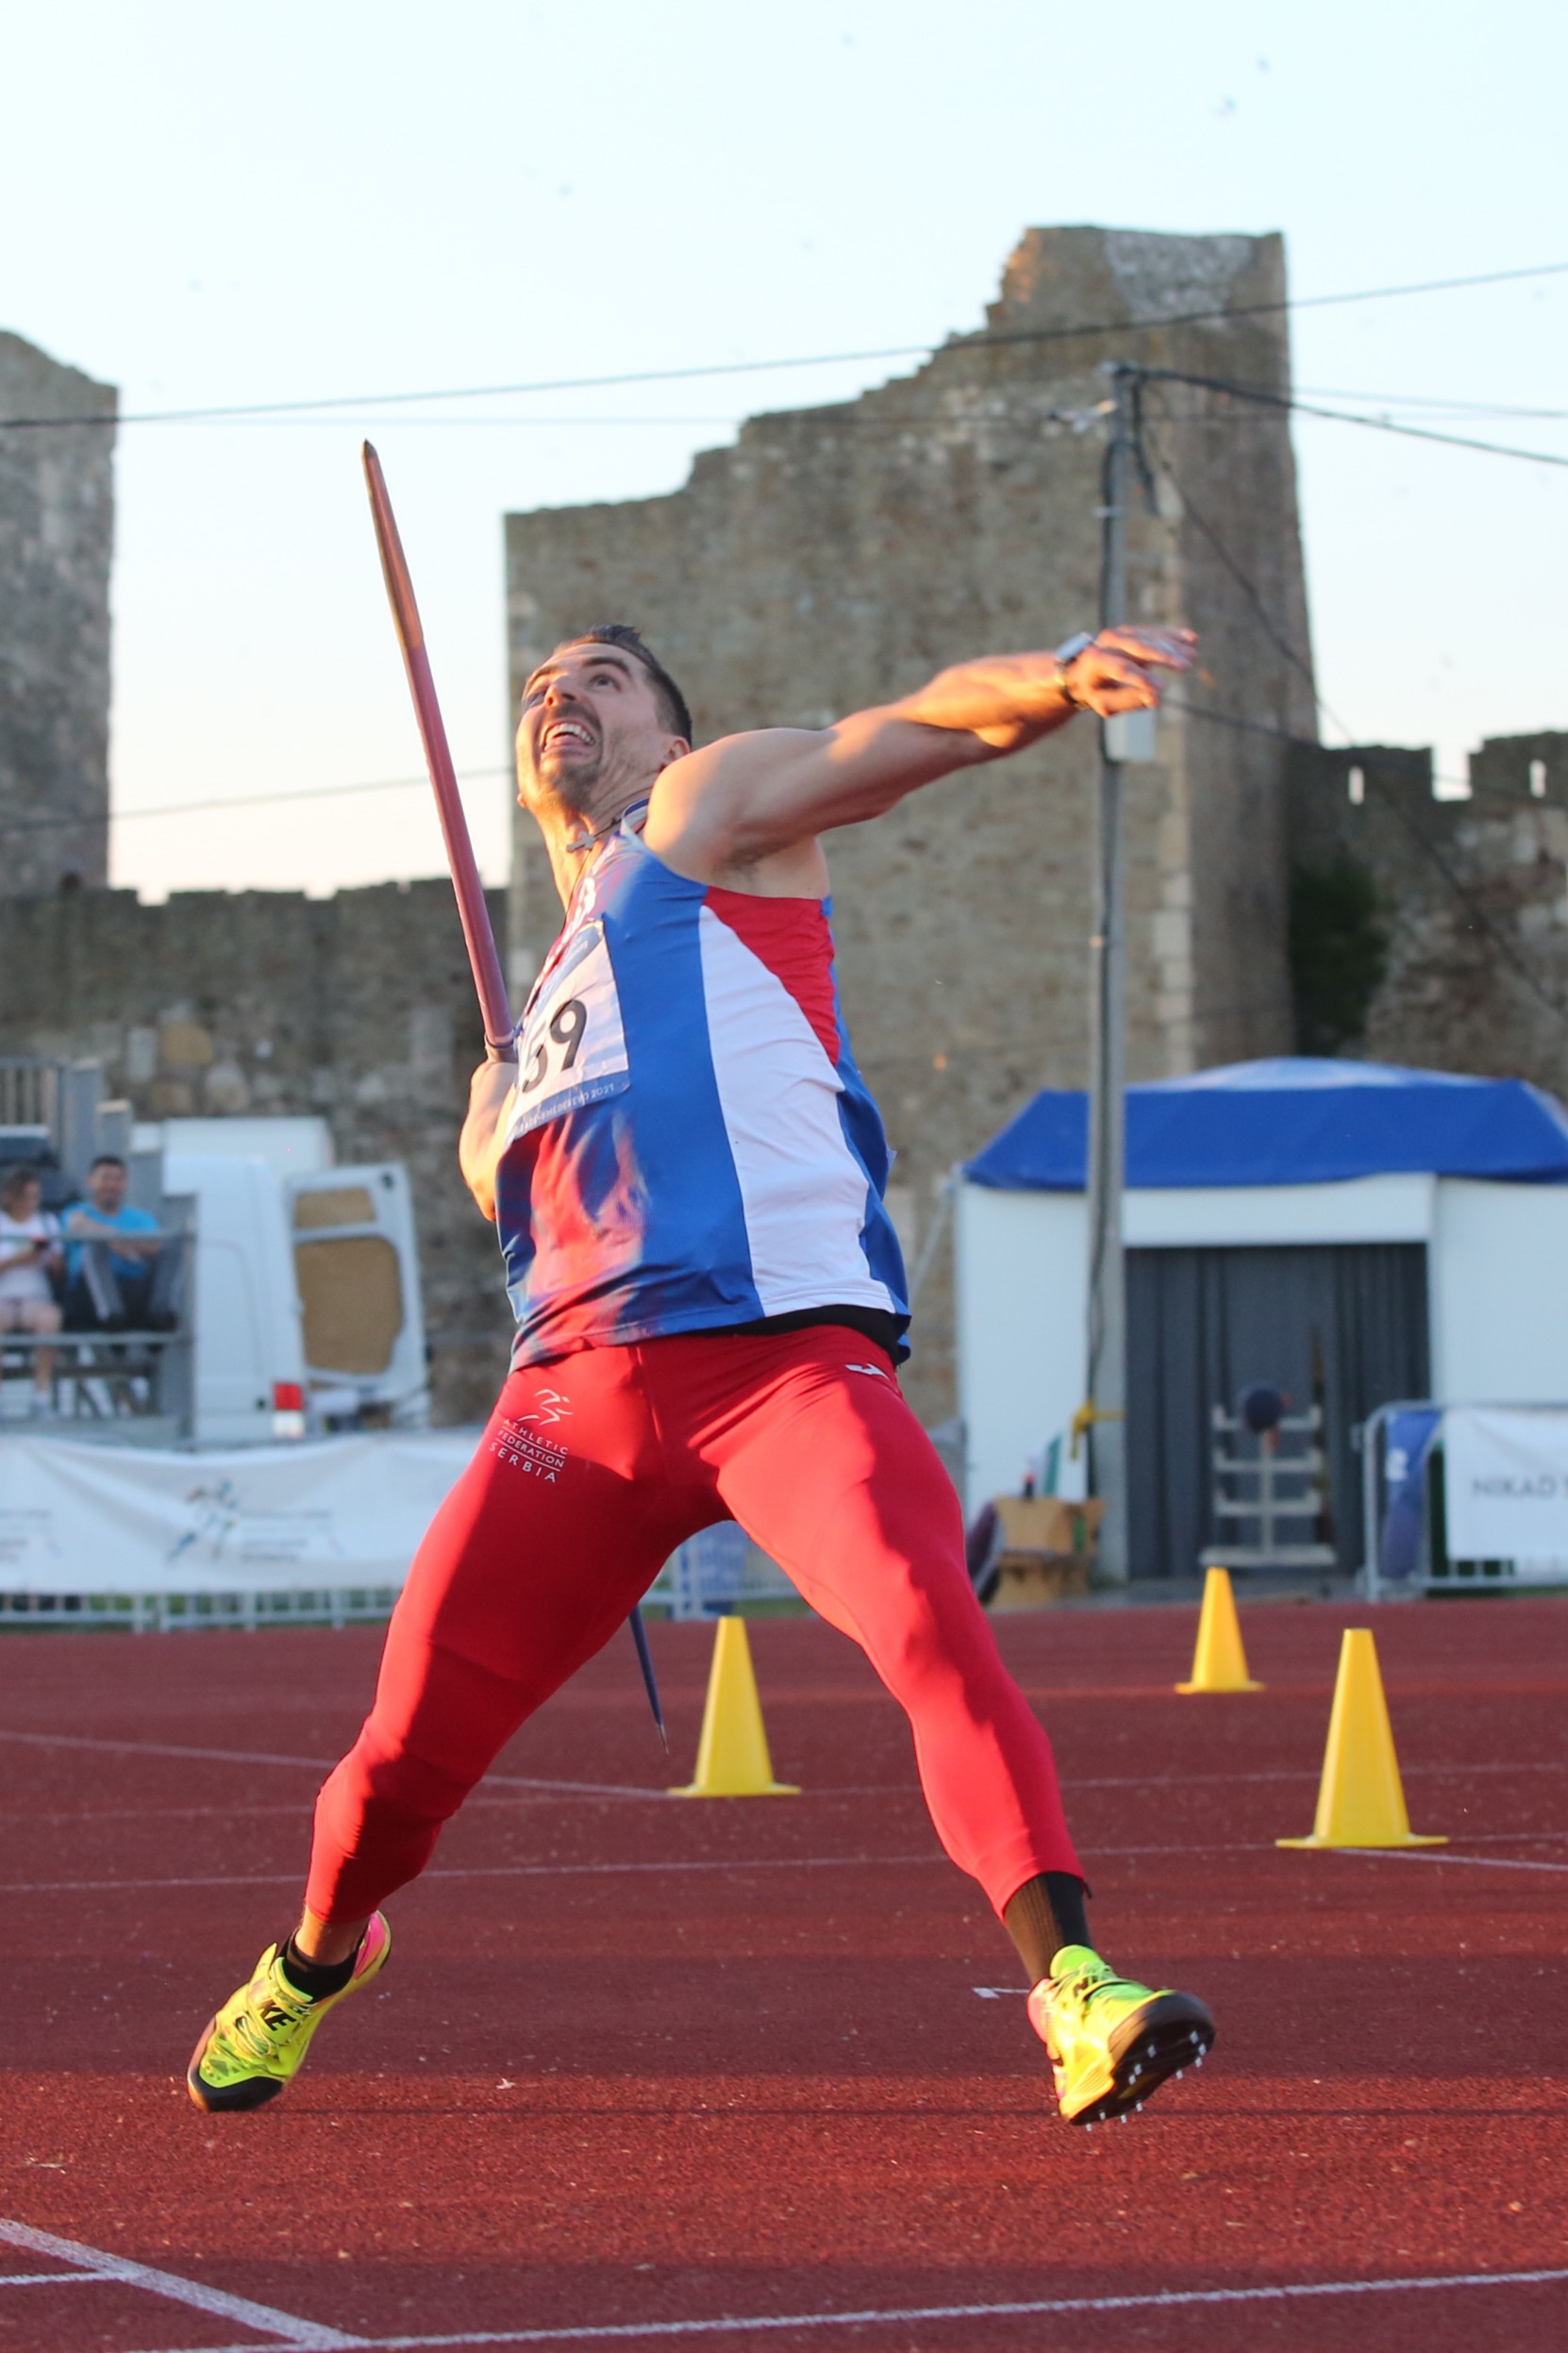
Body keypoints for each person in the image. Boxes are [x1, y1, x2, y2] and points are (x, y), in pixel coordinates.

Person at [189, 620, 1216, 2129]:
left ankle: (1073, 1987)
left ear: (671, 740)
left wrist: (1054, 680)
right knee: (398, 1763)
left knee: (931, 1621)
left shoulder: (703, 817)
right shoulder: (523, 1028)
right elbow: (508, 1197)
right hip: (573, 1413)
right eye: (542, 682)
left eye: (602, 676)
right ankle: (314, 1956)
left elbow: (903, 729)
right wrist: (491, 1131)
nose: (561, 691)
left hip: (782, 1366)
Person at [62, 1154, 162, 1329]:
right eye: (105, 1178)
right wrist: (118, 1240)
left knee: (174, 1246)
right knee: (95, 1245)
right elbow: (77, 1225)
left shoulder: (141, 1218)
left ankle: (162, 1315)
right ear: (90, 1181)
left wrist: (119, 1243)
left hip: (133, 1288)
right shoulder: (76, 1211)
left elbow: (154, 1246)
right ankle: (111, 1316)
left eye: (118, 1179)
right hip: (87, 1294)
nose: (111, 1185)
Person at [0, 1165, 63, 1415]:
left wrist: (55, 1262)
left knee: (51, 1320)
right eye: (25, 1197)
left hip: (35, 1298)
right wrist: (21, 1258)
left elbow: (60, 1272)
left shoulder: (47, 1224)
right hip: (3, 1298)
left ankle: (41, 1397)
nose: (30, 1203)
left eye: (35, 1197)